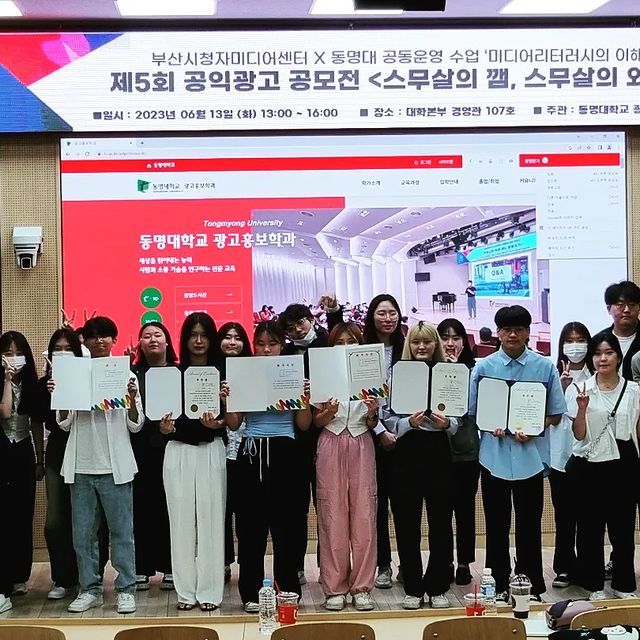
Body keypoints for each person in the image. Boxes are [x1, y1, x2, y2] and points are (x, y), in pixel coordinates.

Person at [468, 305, 566, 601]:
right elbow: (474, 412)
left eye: (519, 329)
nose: (513, 335)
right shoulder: (483, 368)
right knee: (496, 526)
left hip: (530, 459)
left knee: (529, 526)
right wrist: (490, 424)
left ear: (527, 333)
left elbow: (556, 413)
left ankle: (531, 583)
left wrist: (536, 427)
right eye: (507, 329)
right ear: (498, 333)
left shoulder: (544, 367)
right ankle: (498, 584)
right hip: (494, 458)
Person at [54, 316, 143, 614]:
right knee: (83, 536)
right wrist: (60, 393)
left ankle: (126, 589)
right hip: (81, 465)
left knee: (122, 533)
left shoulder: (125, 373)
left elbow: (136, 424)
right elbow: (64, 423)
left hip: (115, 467)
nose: (99, 341)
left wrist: (132, 398)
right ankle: (89, 589)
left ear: (114, 340)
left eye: (105, 336)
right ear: (85, 341)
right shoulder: (74, 373)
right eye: (93, 336)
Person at [225, 321, 312, 613]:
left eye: (272, 344)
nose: (265, 350)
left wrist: (304, 399)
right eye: (260, 344)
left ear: (281, 346)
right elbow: (234, 423)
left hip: (286, 451)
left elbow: (304, 425)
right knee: (251, 528)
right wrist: (229, 399)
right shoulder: (244, 372)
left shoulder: (292, 372)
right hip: (251, 452)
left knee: (287, 526)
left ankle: (287, 588)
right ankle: (251, 592)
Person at [383, 322, 456, 609]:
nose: (422, 347)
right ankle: (413, 587)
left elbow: (459, 416)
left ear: (435, 344)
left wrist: (448, 423)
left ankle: (438, 586)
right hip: (406, 450)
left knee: (440, 521)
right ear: (408, 345)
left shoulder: (448, 373)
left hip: (438, 449)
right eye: (416, 342)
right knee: (406, 521)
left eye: (427, 342)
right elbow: (387, 417)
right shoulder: (396, 375)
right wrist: (406, 423)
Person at [160, 312, 228, 611]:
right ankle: (185, 592)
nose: (198, 341)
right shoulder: (171, 374)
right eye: (192, 335)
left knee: (212, 521)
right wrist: (165, 429)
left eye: (204, 335)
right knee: (181, 523)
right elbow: (162, 422)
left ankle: (210, 592)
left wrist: (218, 423)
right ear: (184, 339)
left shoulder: (223, 374)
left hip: (211, 449)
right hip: (177, 451)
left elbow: (232, 420)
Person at [36, 327, 109, 601]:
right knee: (56, 520)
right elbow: (42, 422)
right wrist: (55, 393)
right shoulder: (44, 384)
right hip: (58, 453)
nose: (63, 353)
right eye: (58, 349)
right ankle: (62, 578)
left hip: (87, 450)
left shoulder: (91, 377)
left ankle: (91, 576)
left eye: (68, 349)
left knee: (91, 520)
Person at [566, 331, 639, 600]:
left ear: (618, 357)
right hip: (591, 464)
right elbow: (578, 434)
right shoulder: (581, 388)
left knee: (623, 529)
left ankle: (623, 584)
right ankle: (593, 585)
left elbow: (637, 430)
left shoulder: (634, 390)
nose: (602, 358)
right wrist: (582, 409)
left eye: (608, 353)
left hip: (624, 463)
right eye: (597, 354)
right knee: (590, 529)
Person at [313, 322, 378, 612]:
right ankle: (334, 588)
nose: (346, 347)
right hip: (331, 441)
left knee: (364, 516)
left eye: (351, 342)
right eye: (339, 343)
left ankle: (362, 587)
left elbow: (373, 422)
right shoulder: (322, 373)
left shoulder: (371, 372)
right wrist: (327, 412)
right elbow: (316, 421)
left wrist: (373, 413)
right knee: (332, 516)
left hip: (362, 441)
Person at [278, 295, 343, 584]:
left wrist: (334, 310)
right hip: (298, 436)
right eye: (291, 328)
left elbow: (340, 333)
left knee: (327, 505)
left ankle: (327, 566)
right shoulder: (285, 353)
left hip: (331, 430)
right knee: (297, 506)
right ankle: (297, 566)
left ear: (311, 320)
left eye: (301, 323)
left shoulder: (327, 342)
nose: (297, 330)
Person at [130, 321, 178, 591]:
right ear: (140, 344)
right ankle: (142, 567)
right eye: (146, 336)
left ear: (167, 341)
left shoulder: (179, 371)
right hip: (139, 449)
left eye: (157, 335)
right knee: (141, 508)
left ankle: (171, 566)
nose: (152, 339)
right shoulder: (132, 374)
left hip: (173, 446)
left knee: (170, 507)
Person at [362, 294, 404, 589]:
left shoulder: (408, 350)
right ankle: (383, 564)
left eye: (392, 313)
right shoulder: (362, 351)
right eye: (381, 313)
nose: (388, 319)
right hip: (371, 436)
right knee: (377, 507)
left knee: (404, 505)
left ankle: (407, 563)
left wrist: (399, 431)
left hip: (404, 436)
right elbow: (360, 398)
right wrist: (380, 431)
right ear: (371, 317)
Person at [0, 331, 41, 613]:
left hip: (24, 449)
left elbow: (36, 423)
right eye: (8, 353)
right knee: (4, 514)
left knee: (23, 512)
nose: (13, 358)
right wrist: (6, 380)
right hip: (2, 447)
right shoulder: (3, 381)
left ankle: (19, 575)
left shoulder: (32, 384)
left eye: (18, 353)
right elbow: (5, 413)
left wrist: (40, 459)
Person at [549, 322, 591, 590]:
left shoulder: (596, 374)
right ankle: (564, 566)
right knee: (563, 516)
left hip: (588, 455)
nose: (575, 346)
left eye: (580, 340)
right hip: (559, 455)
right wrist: (562, 388)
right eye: (569, 340)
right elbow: (548, 417)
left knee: (587, 514)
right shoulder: (552, 374)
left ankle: (586, 566)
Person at [437, 318, 478, 587]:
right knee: (440, 512)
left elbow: (470, 411)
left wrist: (456, 374)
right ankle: (444, 560)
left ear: (464, 341)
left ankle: (464, 562)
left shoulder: (474, 371)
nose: (450, 343)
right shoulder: (430, 369)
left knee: (465, 510)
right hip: (437, 452)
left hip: (466, 452)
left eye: (456, 337)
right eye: (445, 337)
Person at [212, 321, 252, 583]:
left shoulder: (253, 371)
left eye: (238, 338)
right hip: (219, 449)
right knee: (221, 512)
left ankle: (247, 565)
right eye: (227, 337)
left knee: (246, 513)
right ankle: (223, 562)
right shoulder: (210, 371)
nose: (232, 342)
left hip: (248, 449)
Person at [602, 280, 640, 380]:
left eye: (632, 304)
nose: (626, 310)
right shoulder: (600, 340)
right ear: (609, 309)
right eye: (620, 305)